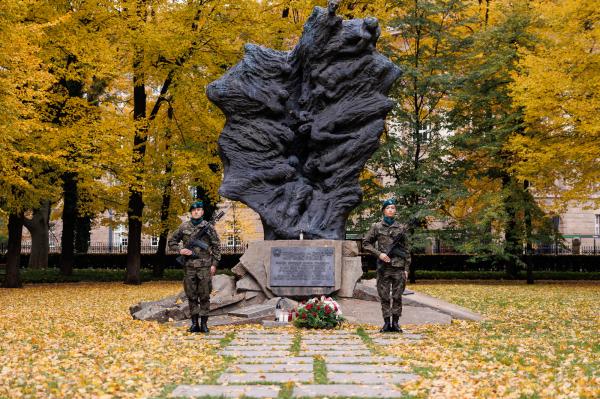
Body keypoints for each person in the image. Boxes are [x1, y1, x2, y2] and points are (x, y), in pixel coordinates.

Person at [168, 201, 221, 333]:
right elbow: (171, 242)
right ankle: (194, 324)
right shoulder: (183, 227)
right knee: (191, 296)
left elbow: (217, 247)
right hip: (189, 267)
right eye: (194, 210)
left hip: (204, 267)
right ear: (191, 212)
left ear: (202, 212)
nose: (196, 212)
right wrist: (180, 250)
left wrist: (214, 265)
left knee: (204, 296)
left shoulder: (209, 228)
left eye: (199, 210)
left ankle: (204, 324)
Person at [362, 198, 410, 333]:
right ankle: (386, 323)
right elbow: (366, 243)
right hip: (383, 268)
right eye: (388, 208)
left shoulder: (401, 228)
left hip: (398, 268)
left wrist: (406, 269)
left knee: (397, 296)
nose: (391, 210)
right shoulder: (377, 227)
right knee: (384, 296)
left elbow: (407, 250)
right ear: (384, 210)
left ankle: (395, 323)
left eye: (393, 208)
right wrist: (379, 254)